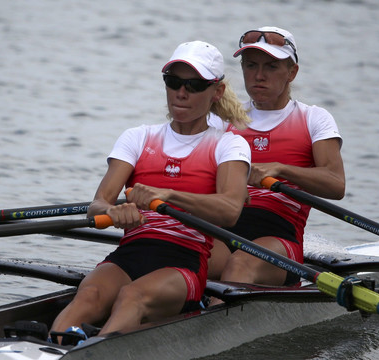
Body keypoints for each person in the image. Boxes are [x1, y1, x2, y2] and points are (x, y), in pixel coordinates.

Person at [49, 40, 252, 344]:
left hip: (183, 261)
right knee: (88, 295)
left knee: (132, 296)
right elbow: (97, 205)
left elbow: (230, 209)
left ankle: (94, 350)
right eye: (173, 82)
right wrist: (113, 212)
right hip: (131, 253)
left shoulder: (229, 145)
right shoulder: (138, 137)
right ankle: (53, 346)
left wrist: (168, 196)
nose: (181, 92)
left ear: (217, 92)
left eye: (194, 85)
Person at [207, 26, 346, 290]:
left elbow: (336, 184)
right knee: (176, 250)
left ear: (292, 72)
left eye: (271, 67)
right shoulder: (223, 120)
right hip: (223, 222)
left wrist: (282, 170)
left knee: (239, 265)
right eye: (250, 66)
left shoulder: (313, 119)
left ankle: (213, 320)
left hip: (278, 235)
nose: (258, 76)